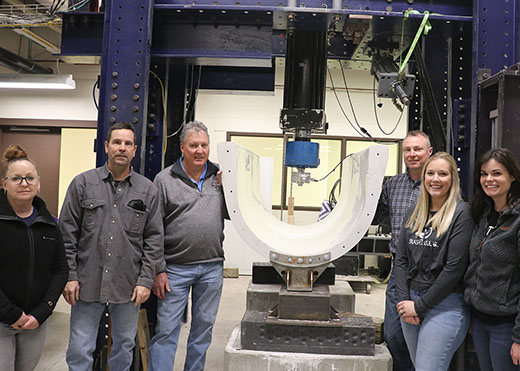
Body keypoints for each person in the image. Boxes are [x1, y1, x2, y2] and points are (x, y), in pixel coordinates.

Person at [59, 122, 164, 371]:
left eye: (128, 143)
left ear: (135, 149)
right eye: (117, 142)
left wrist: (145, 280)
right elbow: (66, 234)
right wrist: (70, 276)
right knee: (79, 348)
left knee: (124, 347)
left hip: (127, 286)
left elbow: (154, 240)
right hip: (86, 283)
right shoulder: (83, 184)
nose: (122, 148)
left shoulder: (147, 190)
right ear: (106, 146)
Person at [148, 120, 228, 371]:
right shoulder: (164, 179)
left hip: (212, 268)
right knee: (166, 331)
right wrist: (158, 269)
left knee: (203, 331)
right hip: (175, 270)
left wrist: (232, 190)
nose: (200, 151)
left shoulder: (220, 178)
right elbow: (153, 228)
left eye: (204, 145)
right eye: (193, 145)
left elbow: (236, 214)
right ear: (182, 148)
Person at [394, 152, 473, 370]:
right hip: (410, 302)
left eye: (442, 174)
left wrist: (420, 306)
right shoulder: (414, 212)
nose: (435, 179)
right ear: (424, 177)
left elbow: (454, 269)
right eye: (430, 173)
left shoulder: (461, 214)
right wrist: (404, 304)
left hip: (445, 305)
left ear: (452, 179)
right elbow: (400, 260)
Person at [0, 145, 68, 371]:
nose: (24, 183)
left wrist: (42, 312)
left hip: (35, 322)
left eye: (29, 178)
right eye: (16, 178)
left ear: (38, 184)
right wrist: (11, 313)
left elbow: (60, 269)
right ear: (4, 184)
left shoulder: (50, 224)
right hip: (1, 320)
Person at [372, 130, 432, 370]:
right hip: (399, 270)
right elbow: (375, 216)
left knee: (425, 332)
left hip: (429, 269)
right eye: (408, 149)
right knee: (394, 333)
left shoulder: (437, 183)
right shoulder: (394, 184)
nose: (412, 154)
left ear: (429, 152)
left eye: (418, 149)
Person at [464, 148, 520, 370]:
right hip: (479, 321)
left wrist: (518, 338)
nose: (489, 179)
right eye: (484, 174)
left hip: (505, 326)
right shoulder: (483, 213)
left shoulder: (516, 220)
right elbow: (472, 266)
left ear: (512, 176)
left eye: (497, 173)